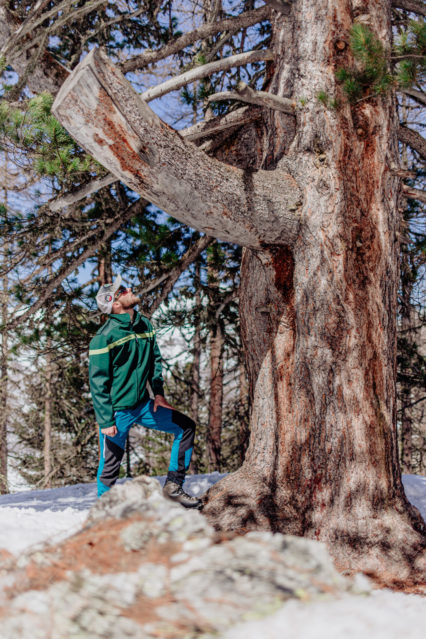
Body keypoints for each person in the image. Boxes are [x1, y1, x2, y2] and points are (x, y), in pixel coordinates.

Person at [89, 274, 201, 508]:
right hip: (117, 413)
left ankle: (173, 487)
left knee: (186, 426)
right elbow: (97, 383)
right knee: (109, 466)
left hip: (144, 405)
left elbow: (155, 361)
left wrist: (158, 393)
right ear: (116, 304)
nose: (128, 289)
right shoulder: (104, 337)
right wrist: (105, 420)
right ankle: (104, 512)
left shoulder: (144, 324)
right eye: (122, 290)